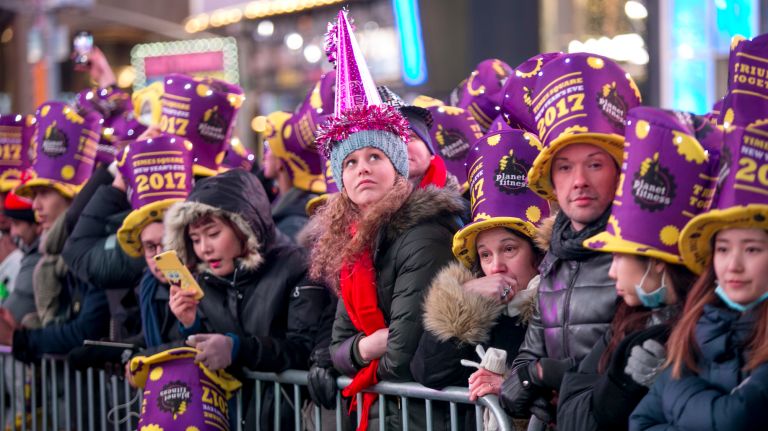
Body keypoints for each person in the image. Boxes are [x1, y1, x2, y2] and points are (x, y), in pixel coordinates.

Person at [310, 10, 465, 430]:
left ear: (397, 168)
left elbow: (402, 356)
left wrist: (357, 354)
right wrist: (364, 349)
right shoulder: (355, 242)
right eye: (351, 162)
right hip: (385, 414)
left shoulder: (423, 235)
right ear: (341, 179)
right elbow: (337, 346)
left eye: (375, 156)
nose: (362, 168)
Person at [498, 53, 642, 426]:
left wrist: (543, 375)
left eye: (594, 164)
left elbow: (624, 365)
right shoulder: (554, 259)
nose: (579, 181)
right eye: (564, 167)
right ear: (551, 180)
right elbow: (528, 359)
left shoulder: (640, 255)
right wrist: (532, 377)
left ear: (618, 172)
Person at [630, 41, 768, 426]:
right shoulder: (698, 322)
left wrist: (672, 389)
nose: (733, 265)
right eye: (722, 249)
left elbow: (731, 419)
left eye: (752, 249)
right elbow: (640, 422)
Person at [555, 107, 718, 431]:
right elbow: (571, 412)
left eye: (619, 258)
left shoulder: (711, 328)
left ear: (655, 261)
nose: (611, 272)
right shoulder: (628, 318)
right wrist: (620, 383)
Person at [410, 117, 548, 429]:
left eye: (509, 249)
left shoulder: (553, 307)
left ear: (537, 253)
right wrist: (465, 300)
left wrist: (511, 384)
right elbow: (428, 372)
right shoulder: (484, 313)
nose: (496, 266)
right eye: (485, 255)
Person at [165, 168, 330, 427]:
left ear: (245, 226)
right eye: (195, 239)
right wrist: (191, 324)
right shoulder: (205, 282)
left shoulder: (297, 267)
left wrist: (238, 348)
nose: (204, 248)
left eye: (213, 234)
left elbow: (304, 348)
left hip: (289, 415)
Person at [261, 73, 332, 242]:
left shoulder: (293, 223)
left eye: (268, 146)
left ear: (282, 161)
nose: (264, 155)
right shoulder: (300, 206)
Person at [1, 191, 41, 324]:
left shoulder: (35, 259)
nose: (13, 232)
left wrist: (10, 262)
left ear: (37, 224)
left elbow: (9, 315)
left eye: (16, 224)